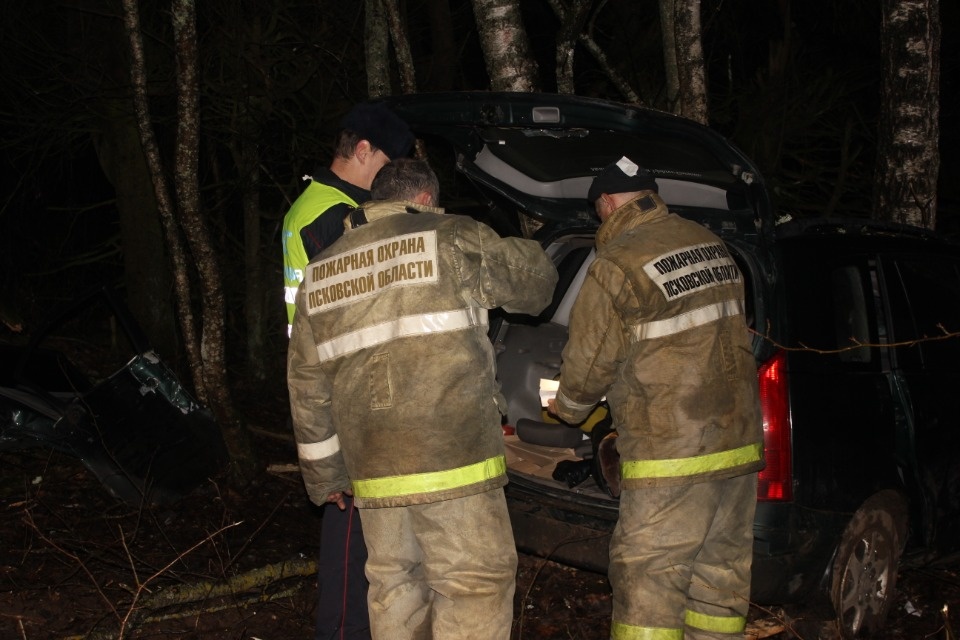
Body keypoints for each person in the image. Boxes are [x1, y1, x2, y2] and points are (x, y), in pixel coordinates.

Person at [287, 158, 559, 640]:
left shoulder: (321, 271)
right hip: (453, 456)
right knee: (473, 584)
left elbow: (307, 387)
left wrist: (326, 474)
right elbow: (534, 288)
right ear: (426, 200)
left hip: (373, 467)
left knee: (395, 586)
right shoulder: (451, 236)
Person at [547, 156, 764, 640]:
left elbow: (589, 363)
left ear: (606, 202)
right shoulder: (712, 245)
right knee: (719, 578)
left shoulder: (618, 264)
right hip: (737, 444)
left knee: (650, 578)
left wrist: (568, 410)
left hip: (672, 451)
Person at [282, 101, 414, 640]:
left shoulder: (332, 205)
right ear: (362, 151)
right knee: (349, 542)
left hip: (351, 386)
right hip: (340, 391)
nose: (393, 177)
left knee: (368, 539)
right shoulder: (328, 214)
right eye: (389, 163)